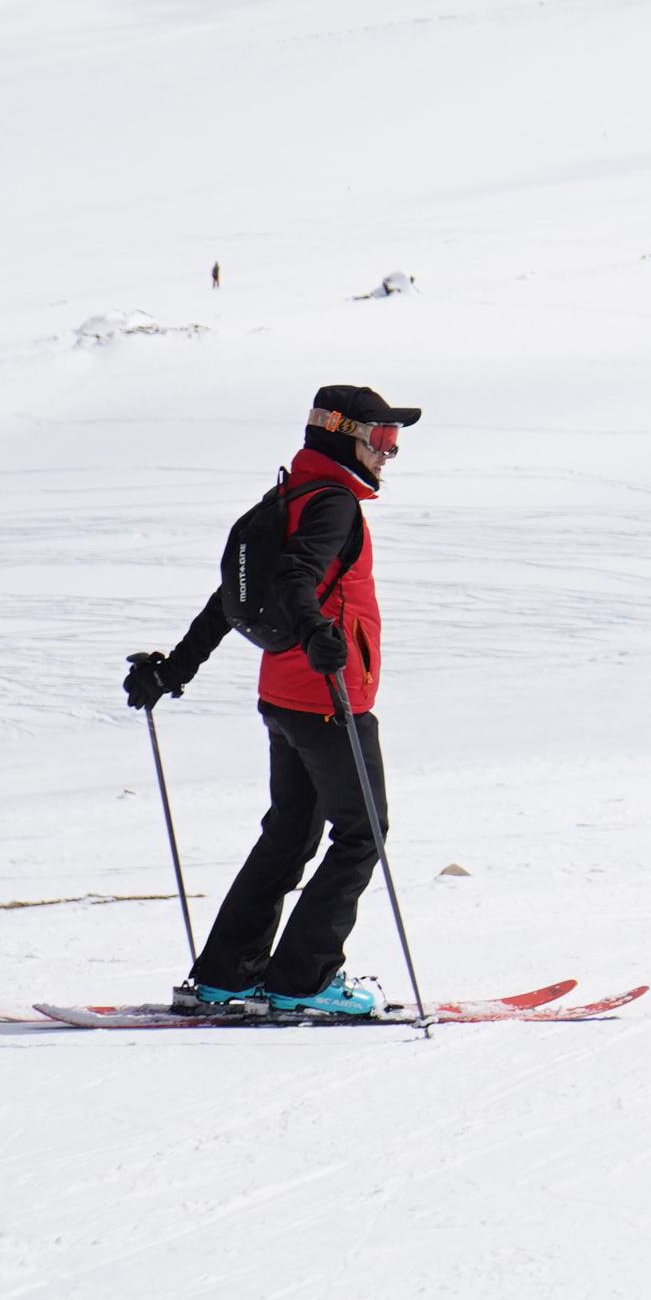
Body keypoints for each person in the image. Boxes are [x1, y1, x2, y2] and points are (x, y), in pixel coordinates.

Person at [121, 384, 419, 1018]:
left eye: (396, 440)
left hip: (284, 698)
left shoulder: (285, 497)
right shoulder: (333, 505)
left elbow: (231, 597)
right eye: (382, 438)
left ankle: (228, 975)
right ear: (345, 436)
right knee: (363, 833)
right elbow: (291, 581)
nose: (389, 454)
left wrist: (175, 669)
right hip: (330, 697)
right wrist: (317, 633)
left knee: (289, 834)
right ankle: (304, 981)